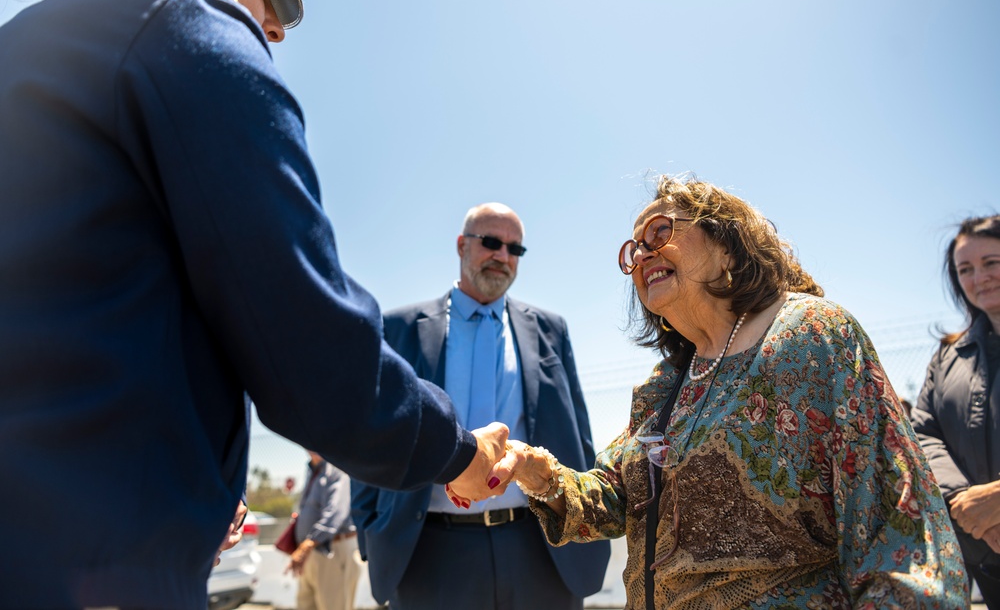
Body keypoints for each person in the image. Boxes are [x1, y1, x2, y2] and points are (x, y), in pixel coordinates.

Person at [0, 0, 509, 608]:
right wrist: (458, 450)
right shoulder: (183, 27)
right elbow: (312, 354)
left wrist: (204, 491)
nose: (272, 23)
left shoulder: (23, 52)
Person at [472, 175, 969, 608]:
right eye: (634, 250)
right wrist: (534, 470)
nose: (643, 254)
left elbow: (899, 523)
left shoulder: (812, 336)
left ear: (728, 244)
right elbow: (616, 497)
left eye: (660, 233)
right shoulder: (664, 385)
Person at [351, 203, 610, 610]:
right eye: (491, 242)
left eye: (514, 249)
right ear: (461, 246)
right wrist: (370, 530)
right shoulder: (400, 328)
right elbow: (369, 433)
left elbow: (578, 432)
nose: (502, 256)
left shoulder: (550, 329)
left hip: (540, 549)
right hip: (429, 552)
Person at [912, 214, 1000, 608]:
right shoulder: (948, 356)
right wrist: (965, 502)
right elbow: (924, 432)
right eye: (965, 269)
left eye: (991, 263)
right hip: (982, 550)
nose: (979, 277)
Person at [286, 452, 362, 610]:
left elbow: (335, 514)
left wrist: (307, 545)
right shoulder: (312, 469)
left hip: (332, 550)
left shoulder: (337, 468)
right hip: (309, 553)